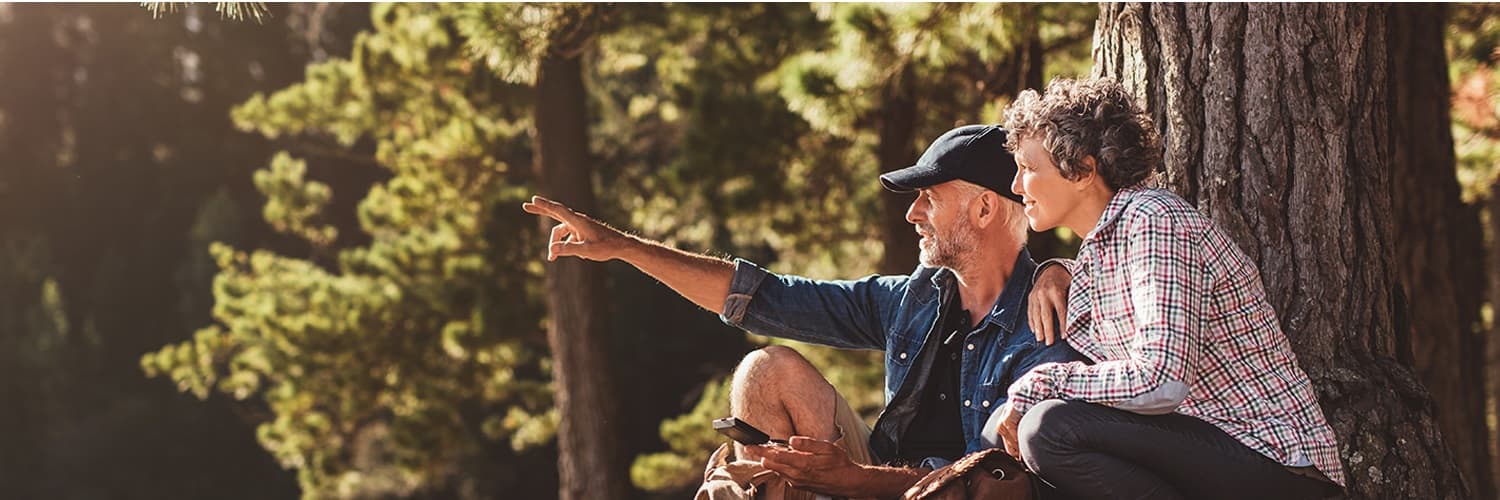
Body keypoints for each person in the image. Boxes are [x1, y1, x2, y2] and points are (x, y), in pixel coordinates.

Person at [523, 124, 1084, 499]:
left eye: (929, 197)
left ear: (986, 208)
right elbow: (762, 298)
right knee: (764, 371)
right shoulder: (918, 296)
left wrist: (853, 479)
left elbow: (989, 484)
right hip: (871, 477)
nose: (912, 214)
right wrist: (624, 247)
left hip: (943, 492)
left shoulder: (1049, 317)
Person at [994, 77, 1345, 499]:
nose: (1016, 186)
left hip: (1277, 463)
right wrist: (1052, 269)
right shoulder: (1102, 250)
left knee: (1048, 428)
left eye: (1029, 168)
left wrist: (1042, 382)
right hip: (1210, 456)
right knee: (1005, 438)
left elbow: (1161, 380)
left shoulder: (1154, 220)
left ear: (1084, 170)